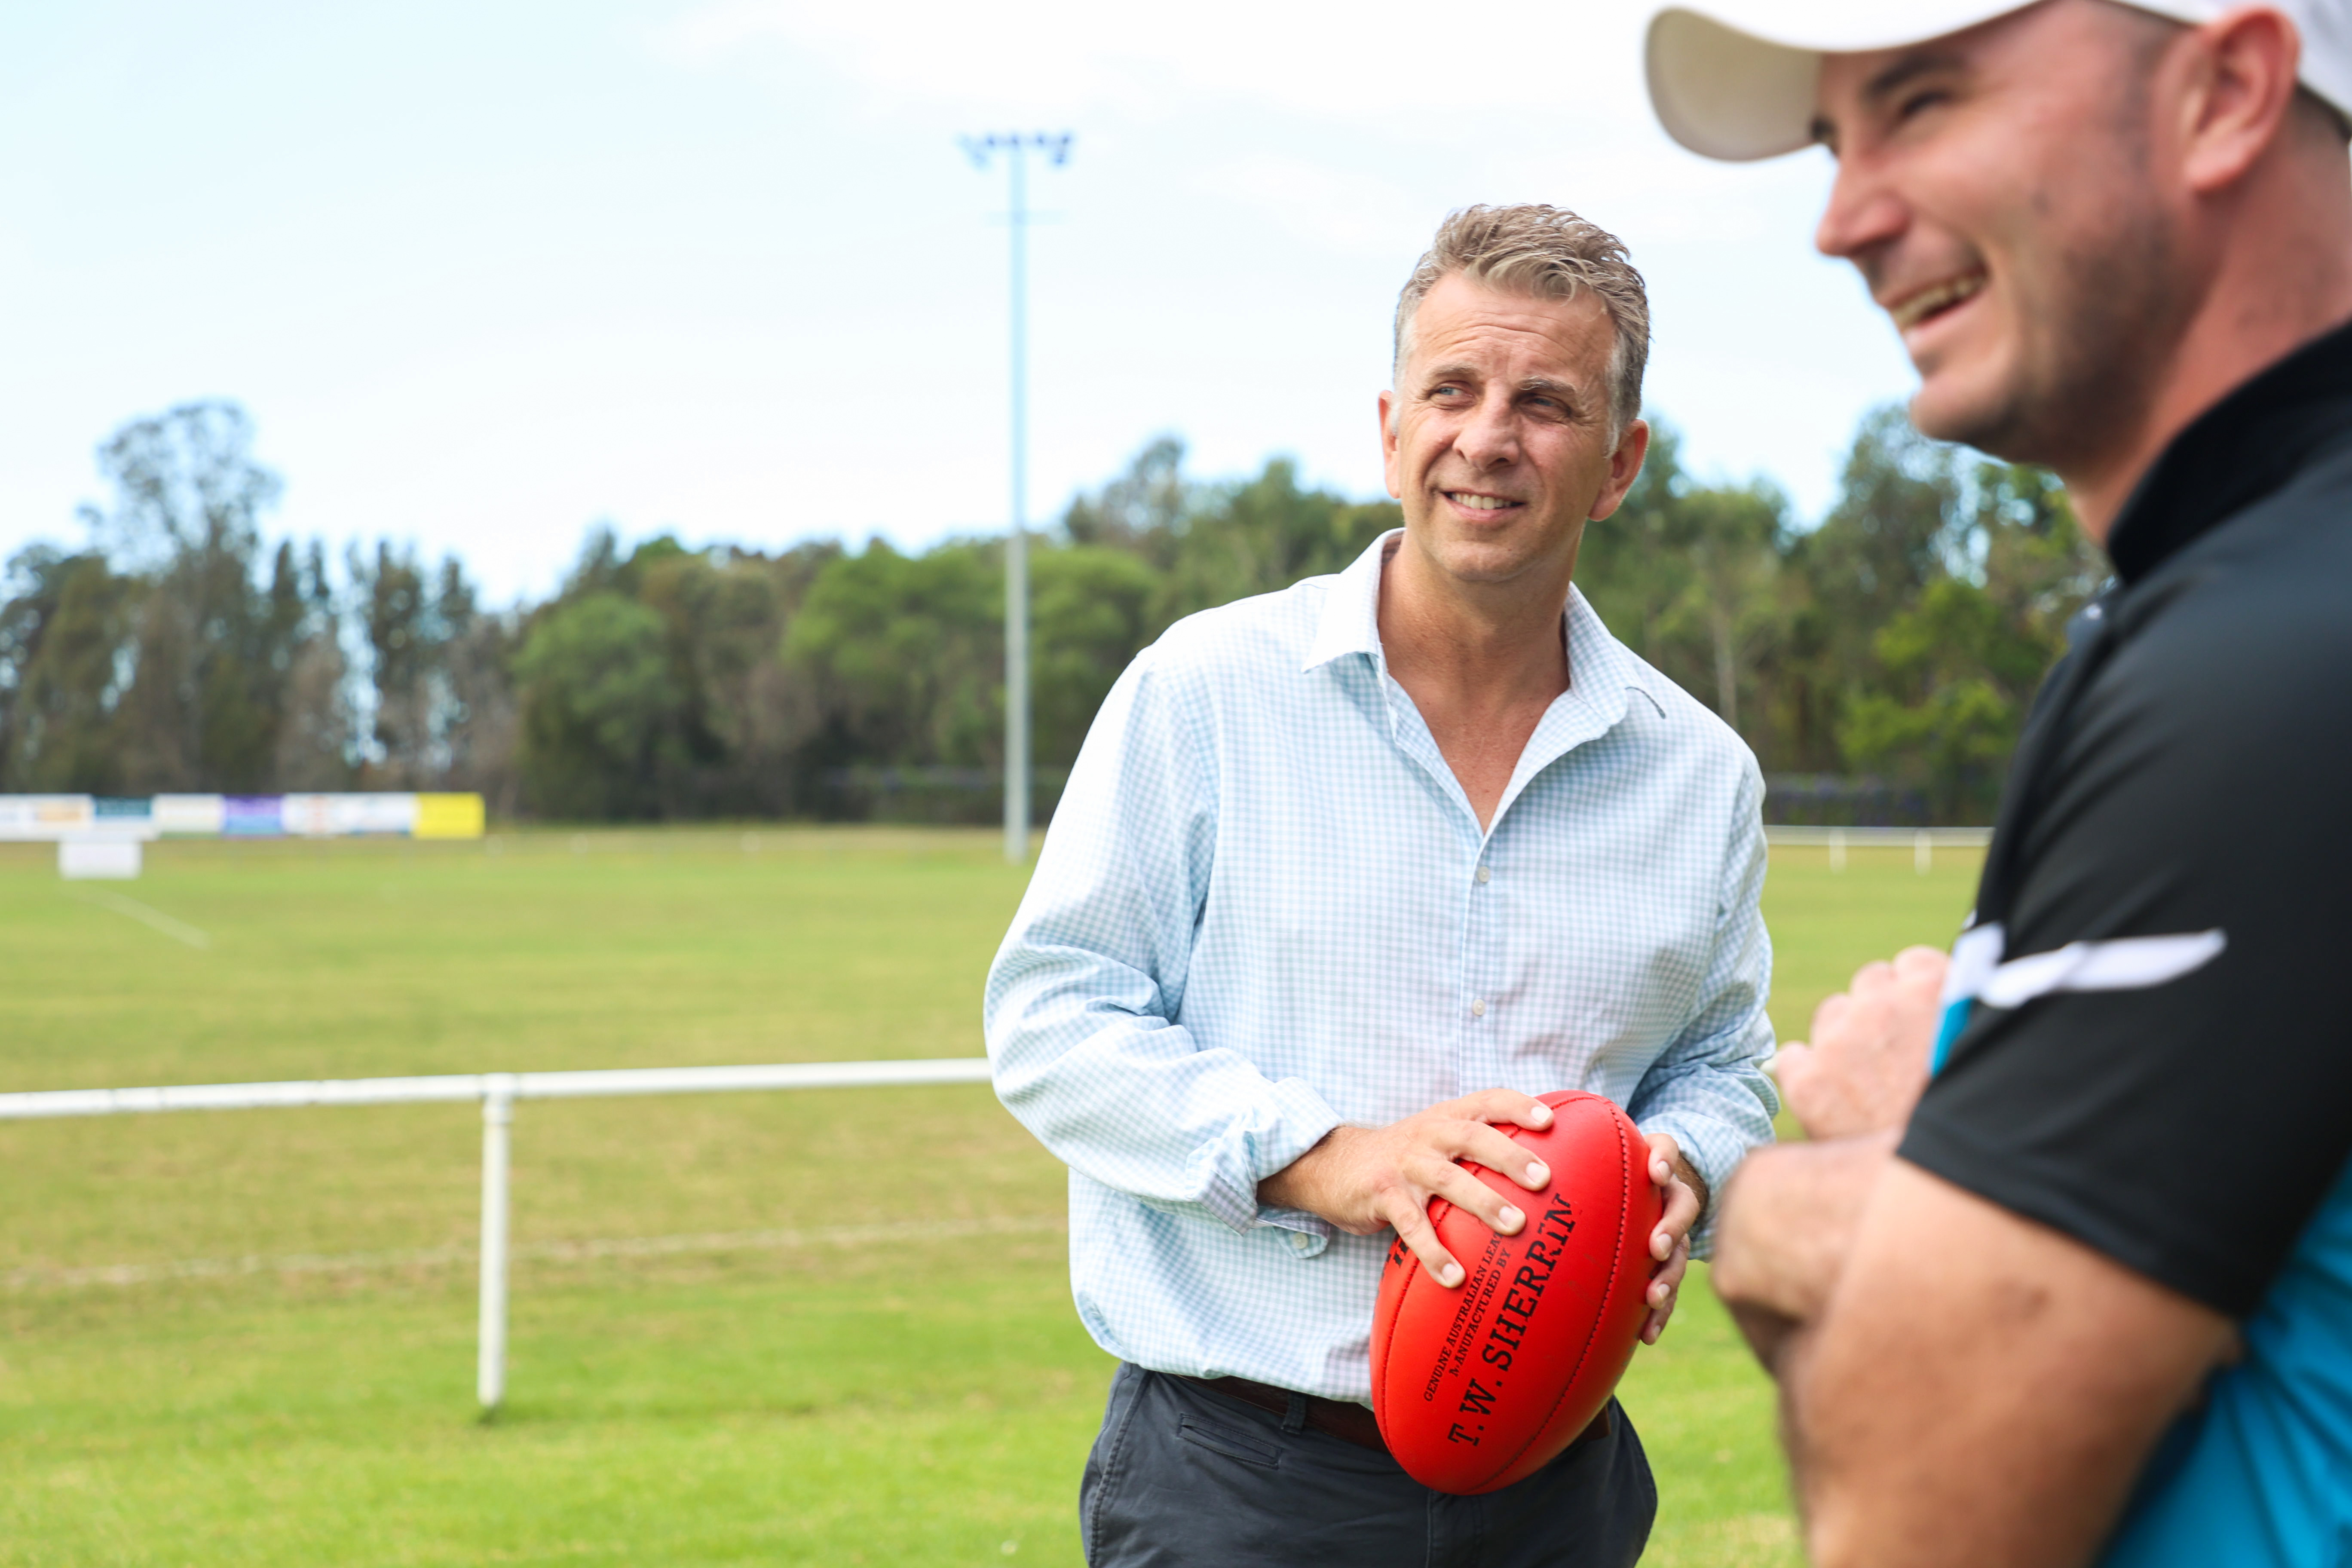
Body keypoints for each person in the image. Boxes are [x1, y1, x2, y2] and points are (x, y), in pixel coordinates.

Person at [1640, 3, 2352, 1565]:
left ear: (2228, 92)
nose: (1843, 220)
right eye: (1838, 138)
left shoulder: (2264, 655)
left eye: (1925, 100)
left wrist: (1824, 1185)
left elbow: (1922, 1511)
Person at [983, 205, 1781, 1567]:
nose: (1488, 437)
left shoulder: (1697, 774)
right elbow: (1054, 1022)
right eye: (1452, 391)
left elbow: (1724, 1063)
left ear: (1619, 463)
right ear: (1389, 427)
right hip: (1237, 1482)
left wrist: (1688, 1165)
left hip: (1555, 1493)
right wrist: (1328, 1161)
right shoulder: (1208, 692)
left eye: (1547, 402)